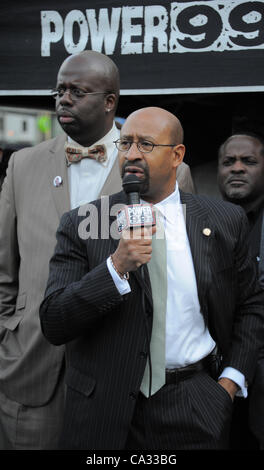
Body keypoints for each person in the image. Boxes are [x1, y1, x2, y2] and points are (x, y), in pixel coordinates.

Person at [39, 107, 264, 450]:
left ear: (177, 155)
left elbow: (251, 304)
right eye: (125, 142)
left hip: (195, 404)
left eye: (146, 144)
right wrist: (116, 267)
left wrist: (229, 383)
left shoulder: (224, 220)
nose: (131, 154)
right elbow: (54, 321)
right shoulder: (83, 223)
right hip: (104, 411)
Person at [0, 50, 121, 450]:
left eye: (77, 91)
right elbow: (4, 268)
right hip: (31, 368)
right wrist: (8, 336)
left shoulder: (153, 165)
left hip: (117, 370)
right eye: (59, 90)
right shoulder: (22, 164)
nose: (63, 99)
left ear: (109, 102)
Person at [217, 132, 264, 449]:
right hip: (215, 382)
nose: (237, 168)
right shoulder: (194, 222)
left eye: (248, 161)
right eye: (228, 162)